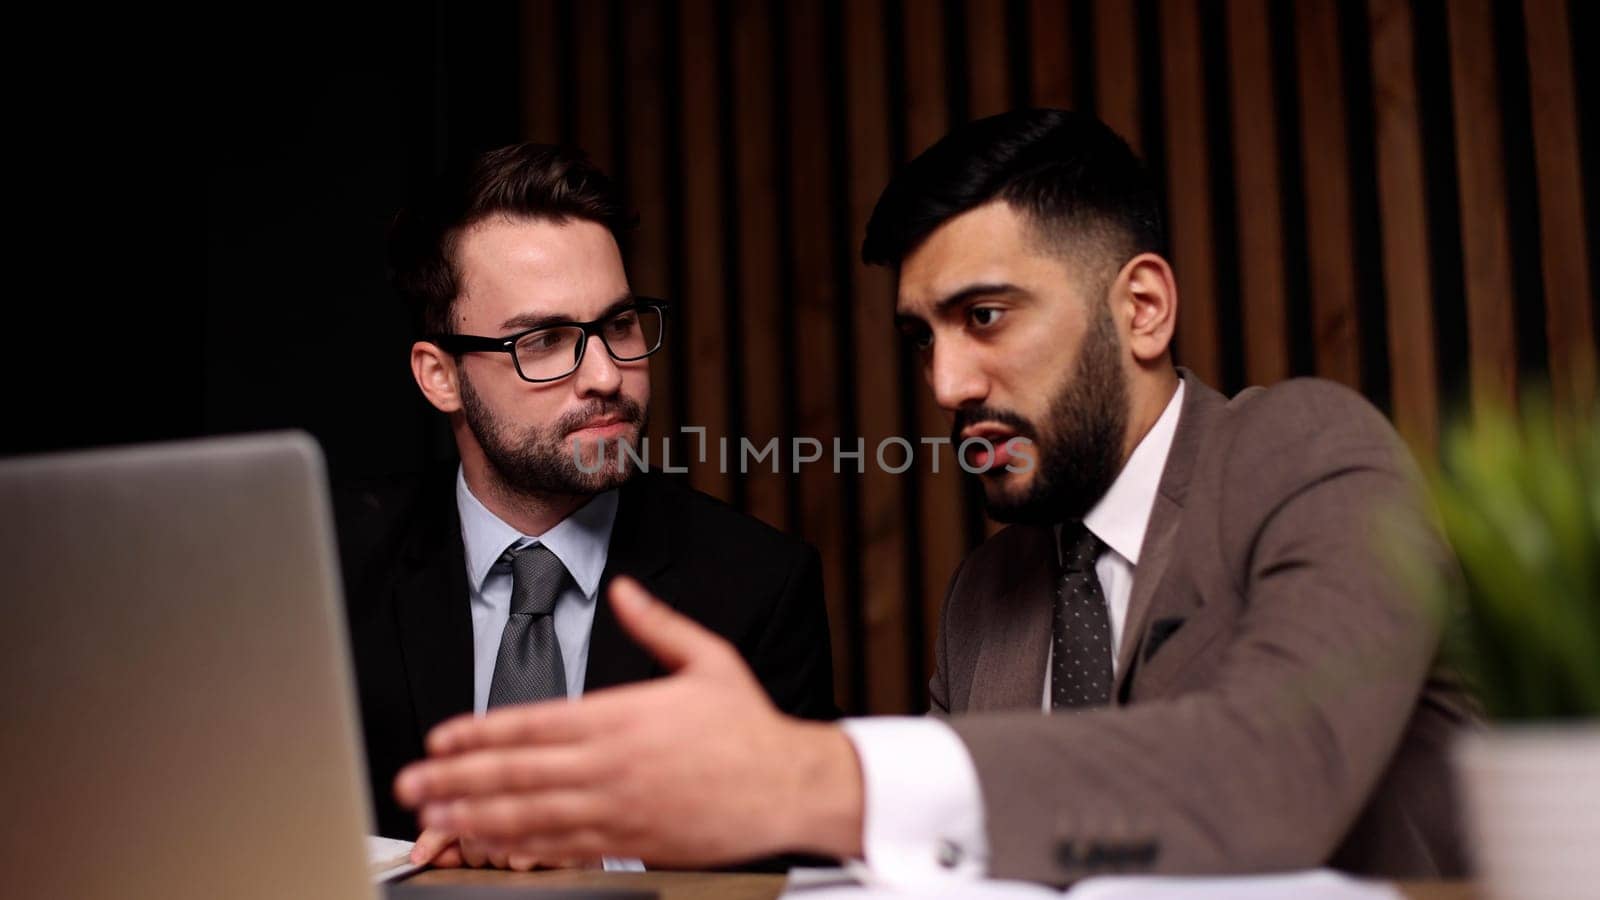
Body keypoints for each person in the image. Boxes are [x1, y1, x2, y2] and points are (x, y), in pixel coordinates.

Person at [389, 110, 1474, 886]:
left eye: (986, 317)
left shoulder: (1308, 455)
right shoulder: (987, 597)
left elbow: (1269, 773)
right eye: (924, 339)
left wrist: (819, 776)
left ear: (1140, 308)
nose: (947, 385)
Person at [335, 143, 837, 869]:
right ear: (440, 376)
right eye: (544, 341)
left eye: (621, 326)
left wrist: (598, 853)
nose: (606, 375)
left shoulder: (757, 588)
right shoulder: (332, 569)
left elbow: (795, 870)